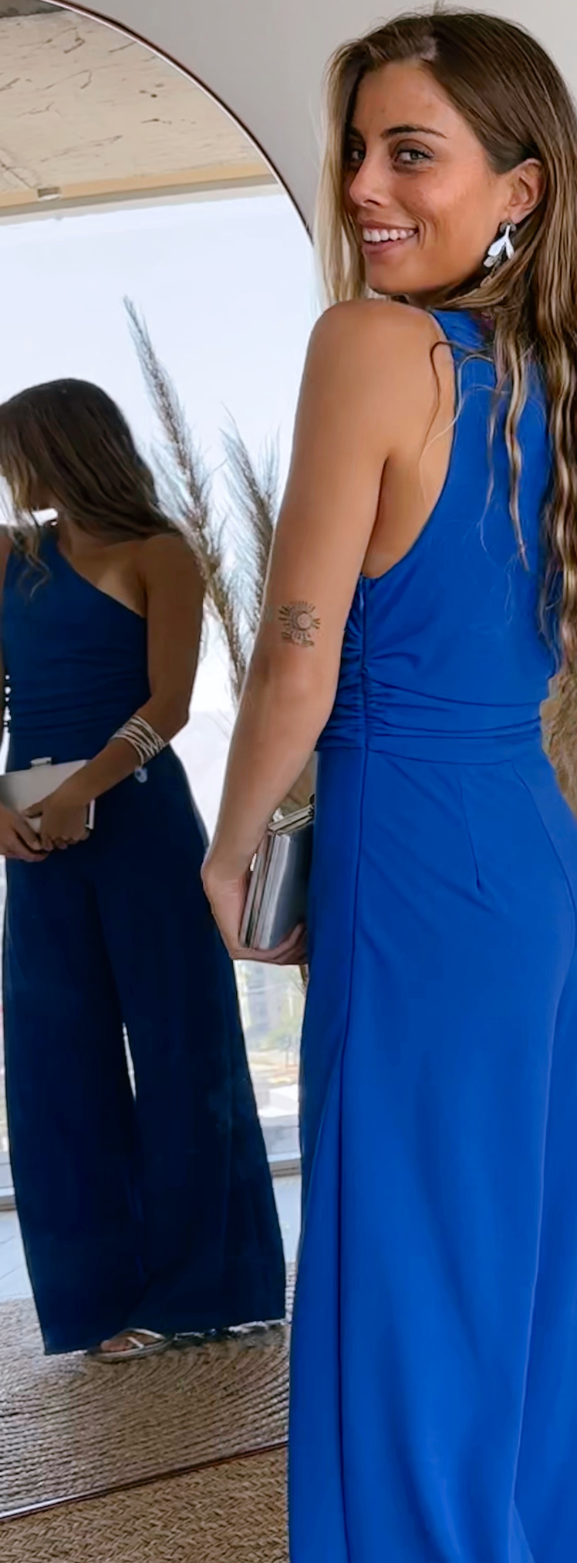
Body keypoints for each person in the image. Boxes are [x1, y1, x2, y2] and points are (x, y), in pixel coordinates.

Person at [201, 11, 577, 1563]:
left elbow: (298, 645)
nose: (365, 186)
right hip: (530, 866)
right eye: (360, 148)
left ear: (517, 189)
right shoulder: (554, 382)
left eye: (413, 152)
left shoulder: (370, 345)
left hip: (416, 861)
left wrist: (231, 838)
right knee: (519, 1281)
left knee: (409, 1292)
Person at [0, 378, 286, 1360]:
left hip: (142, 826)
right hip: (35, 838)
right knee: (53, 1061)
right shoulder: (10, 558)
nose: (10, 474)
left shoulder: (162, 551)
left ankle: (208, 1291)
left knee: (182, 1049)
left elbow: (169, 703)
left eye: (17, 451)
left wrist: (85, 786)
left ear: (64, 448)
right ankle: (95, 1299)